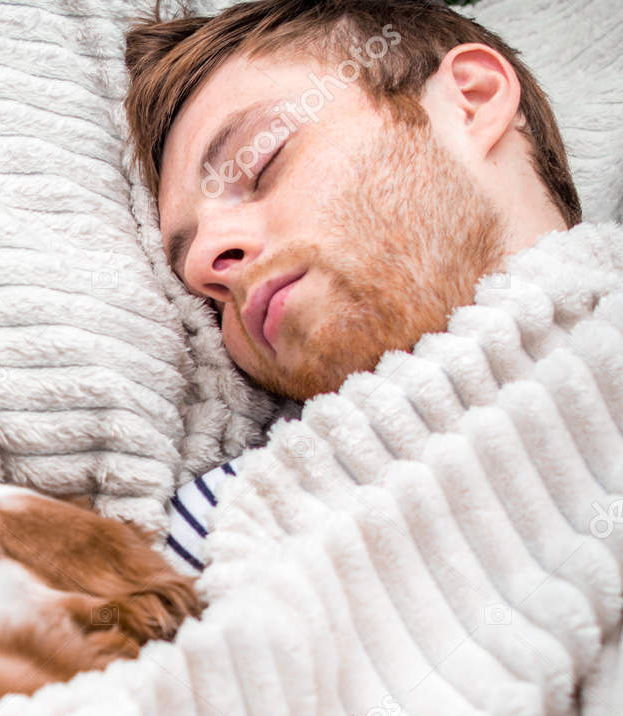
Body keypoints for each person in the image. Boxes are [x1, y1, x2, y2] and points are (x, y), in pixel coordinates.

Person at [122, 0, 582, 569]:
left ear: (473, 99)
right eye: (199, 289)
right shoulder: (210, 540)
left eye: (261, 162)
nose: (209, 261)